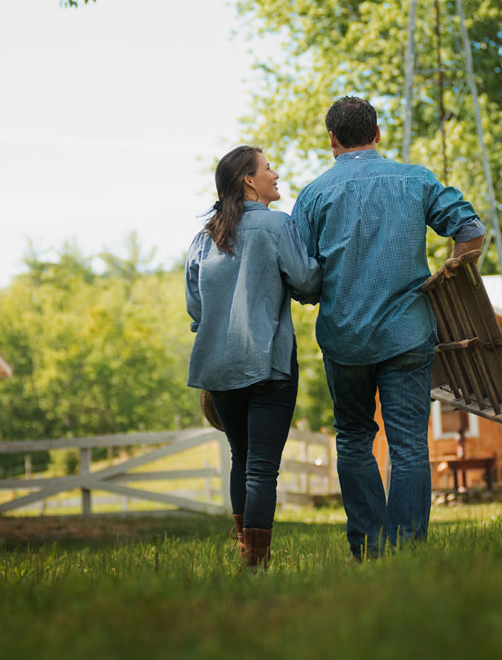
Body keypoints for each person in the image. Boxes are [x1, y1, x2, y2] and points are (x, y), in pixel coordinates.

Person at [291, 96, 485, 560]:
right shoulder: (415, 180)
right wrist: (448, 280)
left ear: (332, 140)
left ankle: (370, 548)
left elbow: (299, 275)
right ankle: (409, 551)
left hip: (344, 337)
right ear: (377, 134)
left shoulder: (314, 194)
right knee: (408, 445)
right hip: (408, 332)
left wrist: (318, 293)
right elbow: (471, 230)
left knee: (354, 437)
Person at [186, 145, 322, 570]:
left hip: (219, 368)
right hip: (268, 363)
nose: (275, 173)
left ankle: (247, 551)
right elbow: (306, 282)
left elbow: (195, 308)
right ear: (249, 179)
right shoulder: (277, 226)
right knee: (262, 467)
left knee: (242, 458)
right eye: (268, 168)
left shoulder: (202, 238)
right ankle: (256, 561)